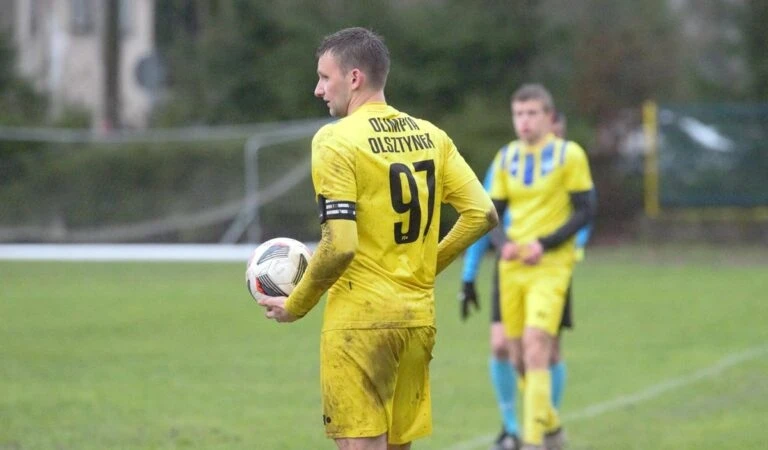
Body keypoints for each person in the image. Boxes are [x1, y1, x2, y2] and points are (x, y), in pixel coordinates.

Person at [257, 27, 498, 450]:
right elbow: (482, 214)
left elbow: (340, 244)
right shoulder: (432, 136)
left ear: (354, 78)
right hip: (417, 320)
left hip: (360, 323)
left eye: (324, 77)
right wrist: (426, 268)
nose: (317, 89)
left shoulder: (335, 140)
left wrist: (296, 305)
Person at [459, 110, 594, 450]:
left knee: (544, 350)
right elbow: (486, 214)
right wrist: (469, 274)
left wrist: (568, 249)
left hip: (551, 267)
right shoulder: (508, 161)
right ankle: (527, 426)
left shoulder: (567, 162)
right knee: (504, 347)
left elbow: (583, 214)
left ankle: (536, 430)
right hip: (511, 266)